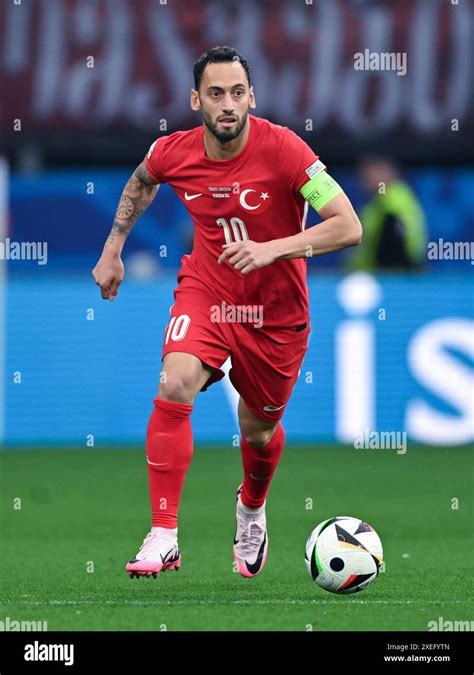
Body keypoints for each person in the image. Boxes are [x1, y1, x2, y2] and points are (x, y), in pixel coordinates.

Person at [92, 46, 362, 579]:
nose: (228, 104)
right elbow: (142, 180)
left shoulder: (286, 150)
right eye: (216, 94)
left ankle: (252, 510)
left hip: (276, 313)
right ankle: (164, 534)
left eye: (238, 93)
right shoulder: (176, 151)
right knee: (175, 383)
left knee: (257, 429)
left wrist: (274, 248)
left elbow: (348, 225)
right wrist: (113, 247)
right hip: (208, 292)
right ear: (197, 100)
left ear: (252, 97)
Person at [349, 156, 427, 270]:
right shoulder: (374, 205)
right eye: (363, 174)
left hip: (394, 278)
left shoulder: (396, 201)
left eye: (373, 172)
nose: (366, 179)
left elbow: (396, 243)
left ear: (388, 171)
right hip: (368, 278)